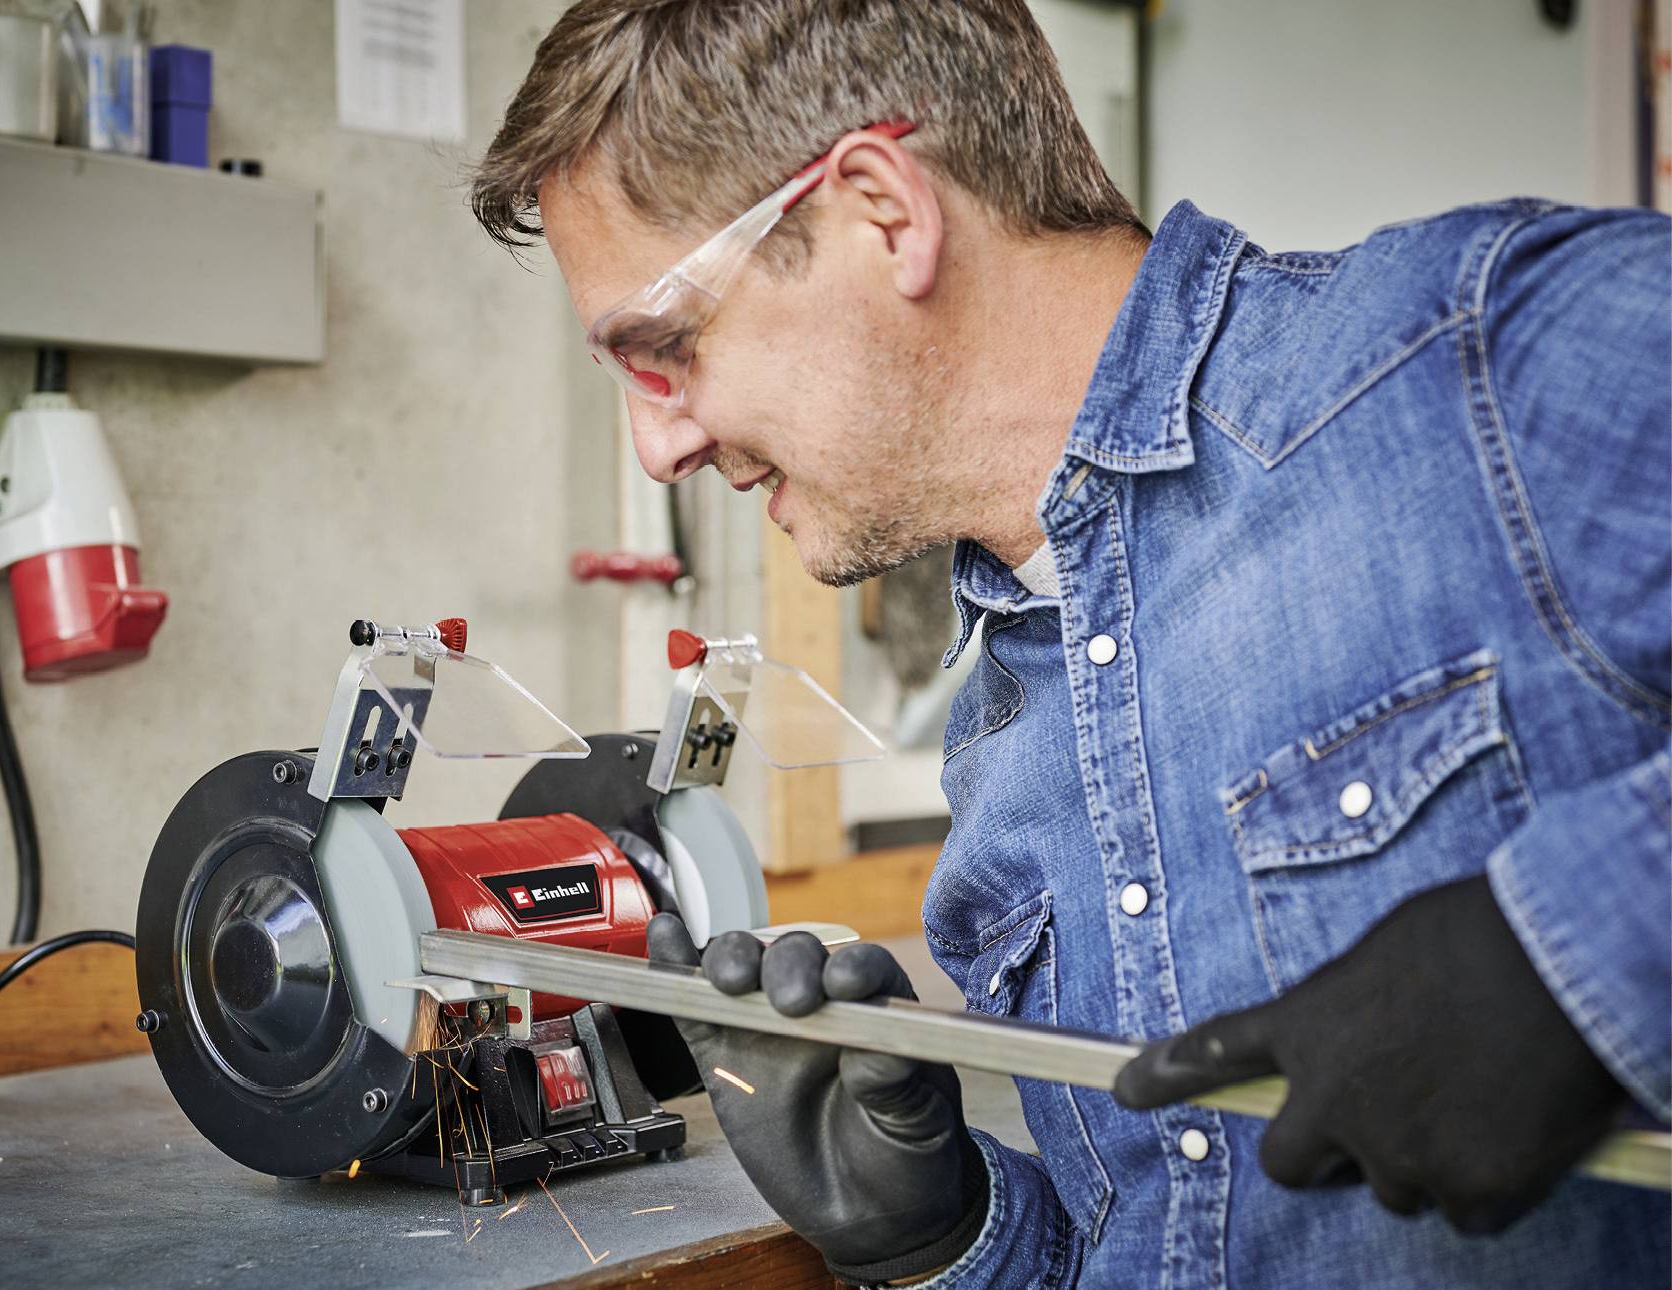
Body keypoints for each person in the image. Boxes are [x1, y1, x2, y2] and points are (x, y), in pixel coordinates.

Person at [469, 2, 1672, 1284]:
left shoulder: (1474, 365)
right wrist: (946, 1238)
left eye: (665, 350)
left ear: (881, 210)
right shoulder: (1004, 733)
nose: (659, 444)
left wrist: (1573, 952)